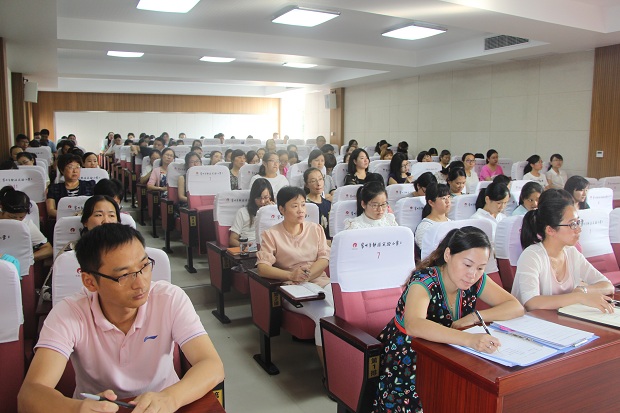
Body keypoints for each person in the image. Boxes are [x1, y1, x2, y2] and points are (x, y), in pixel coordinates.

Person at [19, 224, 225, 412]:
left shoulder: (169, 299)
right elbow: (29, 394)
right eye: (124, 275)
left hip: (164, 405)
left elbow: (211, 365)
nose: (140, 283)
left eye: (144, 266)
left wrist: (170, 398)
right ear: (90, 282)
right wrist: (76, 409)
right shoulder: (70, 313)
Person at [373, 226, 524, 413]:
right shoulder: (424, 280)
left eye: (480, 268)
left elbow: (515, 307)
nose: (472, 274)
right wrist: (469, 339)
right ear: (448, 255)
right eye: (467, 265)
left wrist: (475, 316)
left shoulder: (475, 280)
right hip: (409, 357)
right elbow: (414, 325)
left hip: (448, 351)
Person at [256, 187, 332, 369]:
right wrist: (291, 275)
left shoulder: (315, 229)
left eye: (303, 205)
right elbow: (263, 268)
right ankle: (330, 374)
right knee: (326, 314)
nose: (301, 210)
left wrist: (308, 274)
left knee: (342, 308)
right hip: (293, 289)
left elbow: (324, 258)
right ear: (282, 209)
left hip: (319, 280)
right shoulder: (271, 234)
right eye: (295, 206)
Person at [511, 189, 614, 311]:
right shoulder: (531, 255)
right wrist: (578, 297)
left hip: (559, 318)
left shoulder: (571, 252)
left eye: (578, 222)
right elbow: (531, 302)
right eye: (572, 224)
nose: (579, 229)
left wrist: (583, 290)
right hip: (532, 320)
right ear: (550, 230)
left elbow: (608, 286)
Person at [0, 186, 52, 262]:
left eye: (21, 217)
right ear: (1, 208)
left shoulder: (26, 225)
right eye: (12, 217)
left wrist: (24, 259)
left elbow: (48, 249)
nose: (17, 221)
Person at [46, 154, 96, 218]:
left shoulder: (90, 185)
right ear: (62, 170)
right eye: (71, 167)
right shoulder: (54, 188)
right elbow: (50, 210)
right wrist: (70, 216)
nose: (75, 171)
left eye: (77, 167)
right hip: (63, 220)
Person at [229, 178, 275, 247]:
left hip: (270, 247)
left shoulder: (276, 212)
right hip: (251, 248)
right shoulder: (242, 212)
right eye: (258, 198)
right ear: (253, 198)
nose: (262, 202)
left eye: (266, 198)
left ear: (271, 197)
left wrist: (273, 211)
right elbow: (232, 240)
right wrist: (244, 246)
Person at [414, 183, 451, 249]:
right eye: (443, 198)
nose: (448, 201)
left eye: (448, 197)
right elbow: (427, 252)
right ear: (431, 202)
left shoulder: (451, 222)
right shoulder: (425, 228)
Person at [304, 167, 331, 237]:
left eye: (320, 179)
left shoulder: (329, 204)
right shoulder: (304, 205)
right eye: (313, 181)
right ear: (307, 185)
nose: (318, 184)